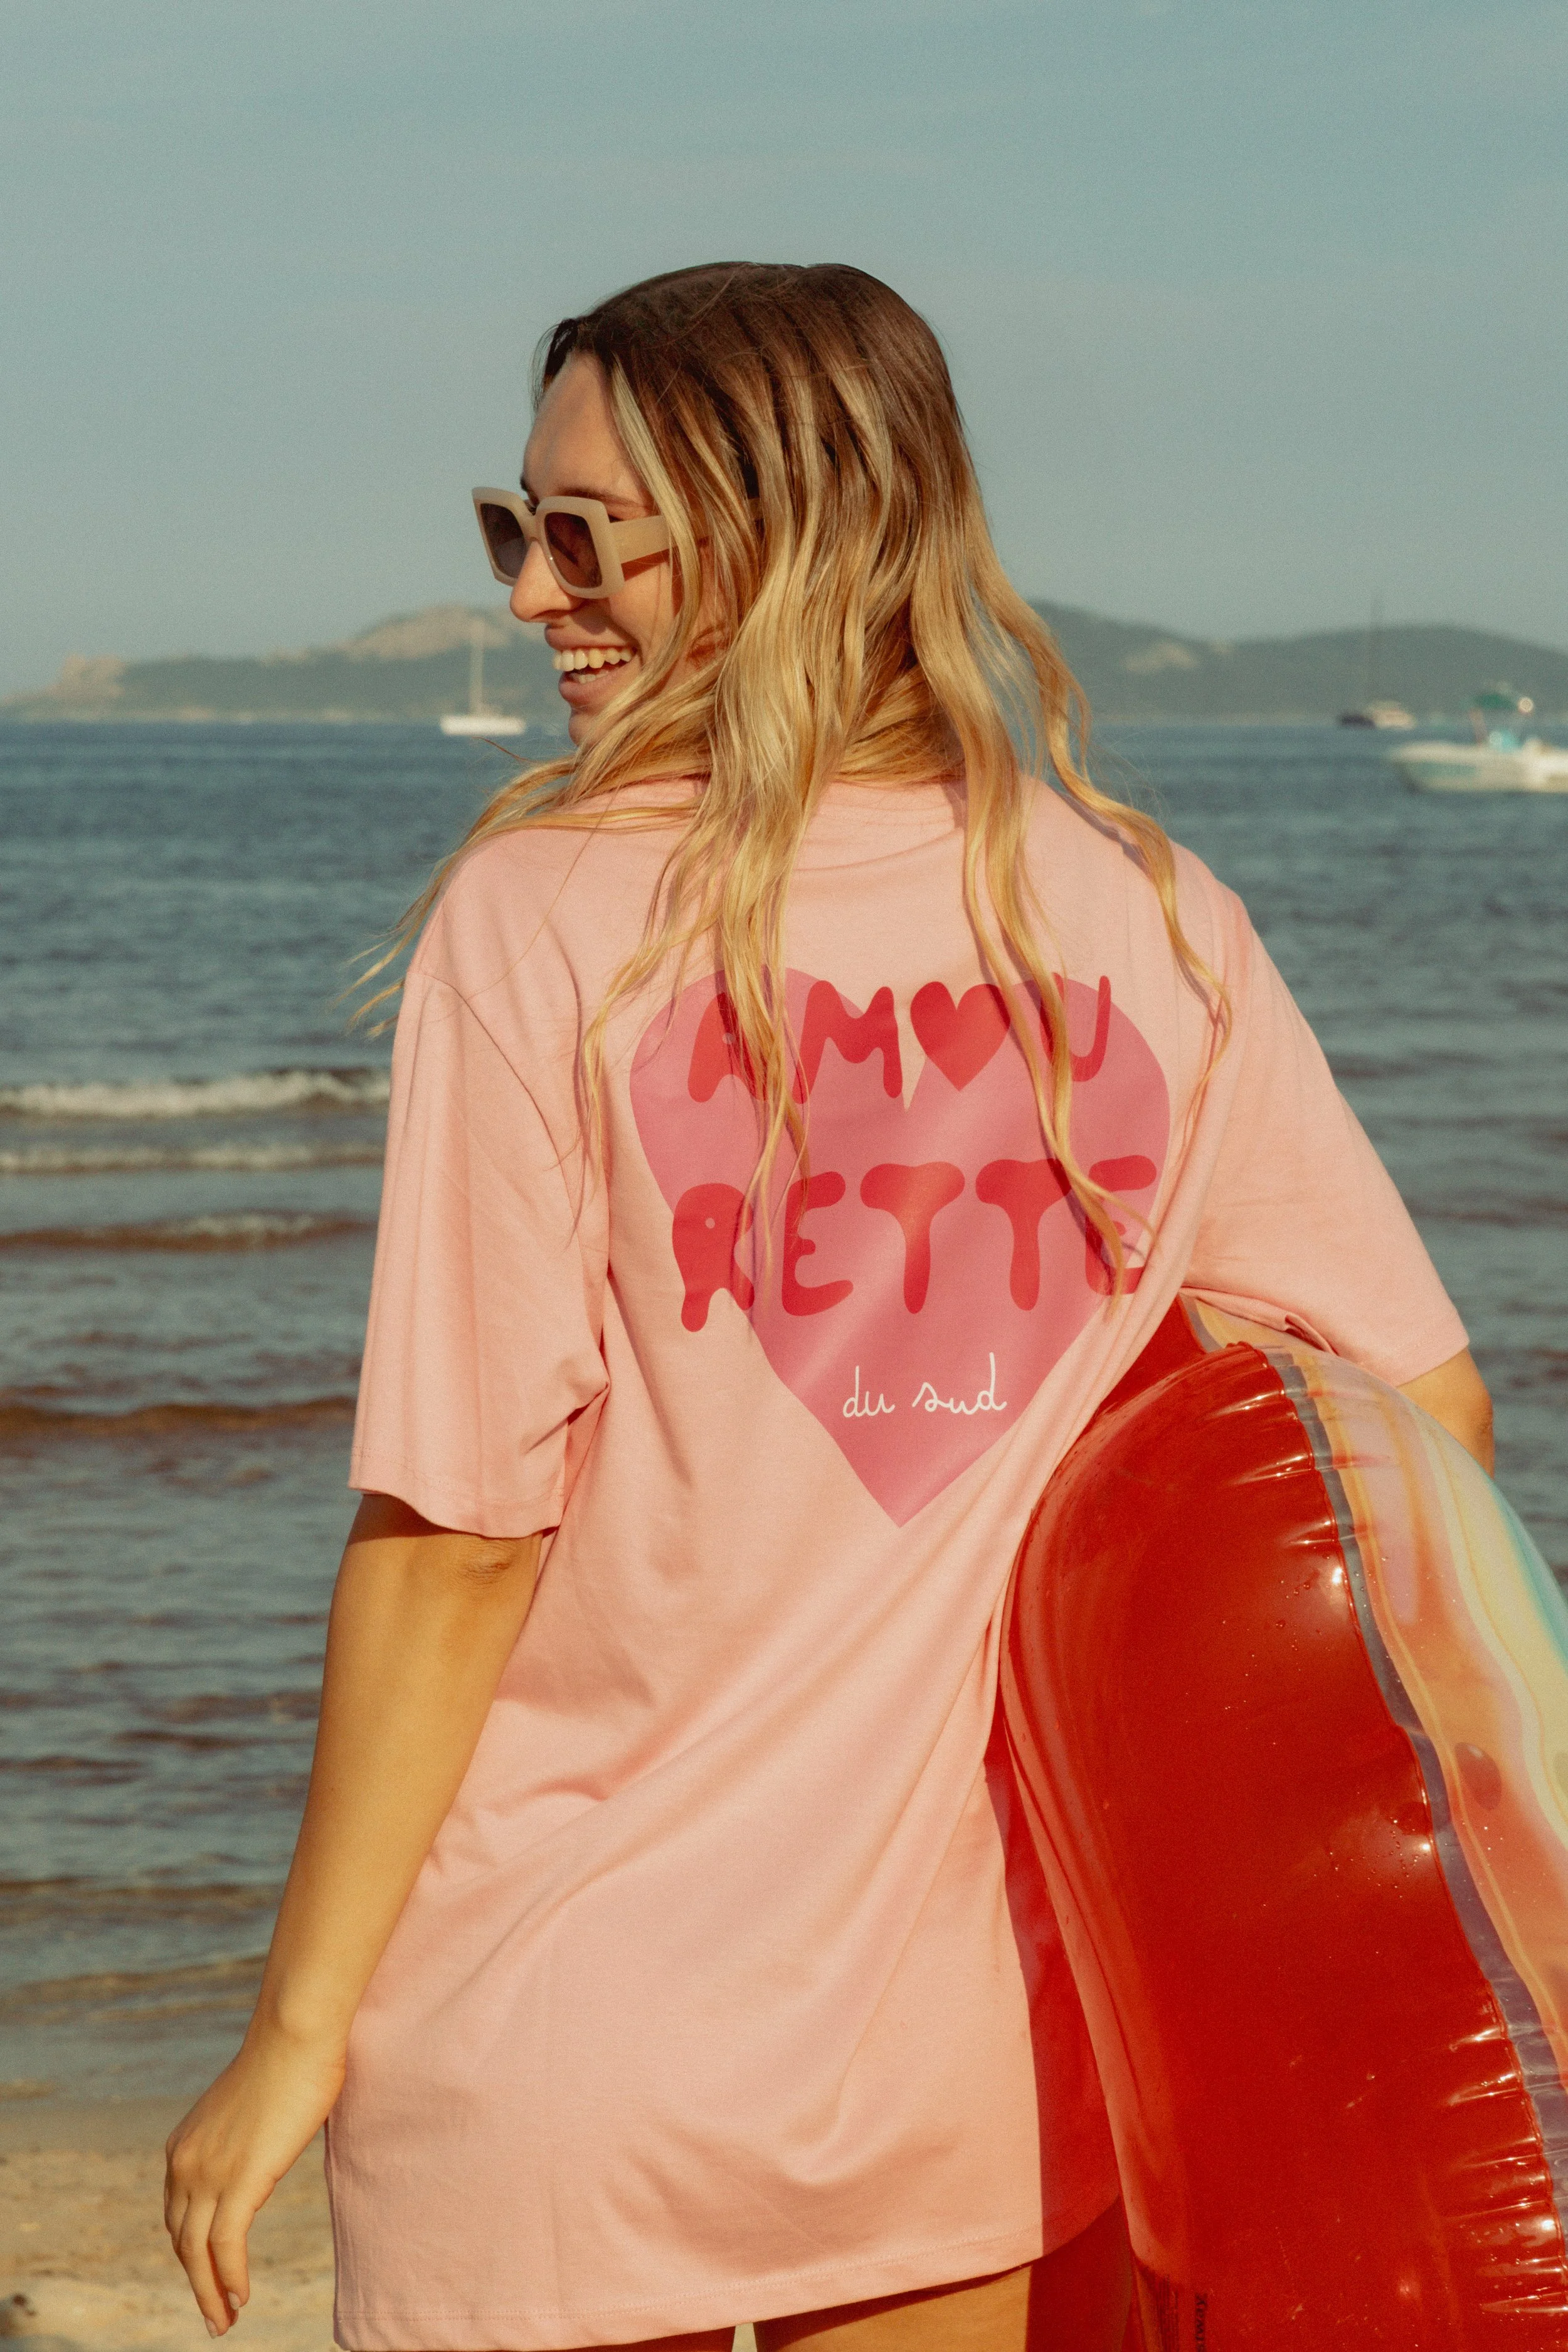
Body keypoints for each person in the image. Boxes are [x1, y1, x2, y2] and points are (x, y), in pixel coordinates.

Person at [164, 263, 1492, 2352]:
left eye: (584, 532)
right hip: (961, 2048)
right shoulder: (1140, 910)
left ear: (775, 530)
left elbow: (459, 1541)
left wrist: (293, 2026)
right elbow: (1406, 1416)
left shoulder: (543, 920)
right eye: (513, 528)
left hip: (561, 2024)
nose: (532, 595)